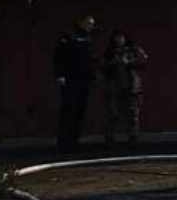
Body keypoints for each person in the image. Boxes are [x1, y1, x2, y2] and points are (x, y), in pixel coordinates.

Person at [51, 16, 96, 152]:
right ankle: (64, 143)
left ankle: (74, 142)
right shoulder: (68, 37)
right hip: (70, 79)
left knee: (79, 111)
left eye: (92, 24)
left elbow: (89, 59)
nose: (91, 26)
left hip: (84, 80)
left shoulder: (88, 39)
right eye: (88, 23)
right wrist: (60, 75)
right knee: (68, 110)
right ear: (80, 22)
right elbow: (59, 57)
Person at [102, 30, 148, 147]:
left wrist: (129, 62)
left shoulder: (133, 50)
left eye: (121, 37)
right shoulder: (110, 52)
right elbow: (102, 66)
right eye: (117, 38)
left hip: (131, 87)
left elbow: (143, 61)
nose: (119, 40)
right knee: (113, 113)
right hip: (114, 87)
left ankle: (133, 137)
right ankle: (109, 139)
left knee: (132, 113)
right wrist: (112, 63)